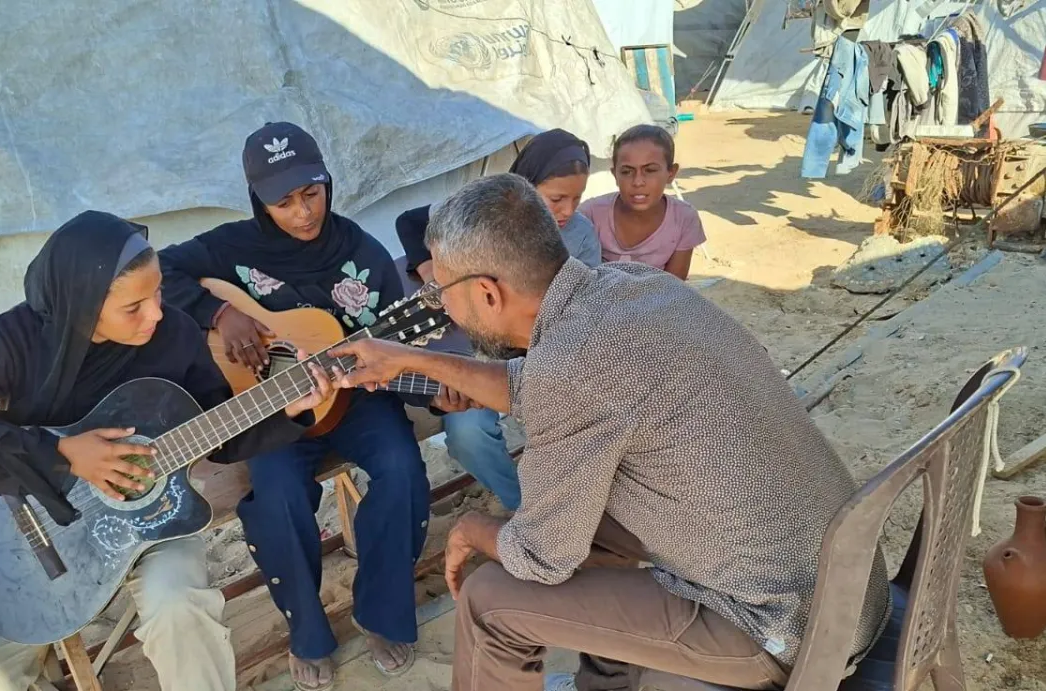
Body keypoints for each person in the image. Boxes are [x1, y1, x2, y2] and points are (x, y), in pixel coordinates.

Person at [332, 174, 891, 691]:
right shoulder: (636, 286)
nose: (440, 308)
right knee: (590, 518)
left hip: (785, 633)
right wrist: (411, 359)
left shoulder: (570, 368)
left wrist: (472, 530)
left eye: (438, 293)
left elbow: (541, 557)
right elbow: (537, 384)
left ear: (487, 293)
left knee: (489, 599)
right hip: (847, 589)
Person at [0, 211, 336, 691]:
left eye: (158, 292)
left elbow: (219, 432)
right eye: (133, 307)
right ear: (82, 305)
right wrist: (62, 452)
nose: (156, 314)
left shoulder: (175, 335)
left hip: (156, 521)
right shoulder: (14, 341)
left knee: (181, 608)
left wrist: (287, 409)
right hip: (31, 539)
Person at [158, 122, 459, 689]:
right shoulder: (230, 246)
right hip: (268, 412)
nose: (302, 212)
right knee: (277, 498)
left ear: (327, 183)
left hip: (357, 399)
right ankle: (309, 632)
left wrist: (436, 388)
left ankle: (382, 613)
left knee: (403, 470)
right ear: (258, 200)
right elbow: (156, 271)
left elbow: (393, 358)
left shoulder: (362, 255)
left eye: (311, 193)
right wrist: (222, 314)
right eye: (284, 202)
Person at [394, 128, 601, 511]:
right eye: (556, 199)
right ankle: (525, 507)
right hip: (468, 351)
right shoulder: (483, 212)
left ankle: (571, 506)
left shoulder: (581, 236)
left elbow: (580, 317)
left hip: (531, 358)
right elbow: (409, 222)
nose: (568, 211)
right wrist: (436, 277)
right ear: (522, 189)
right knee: (467, 436)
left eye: (577, 198)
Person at [579, 124, 706, 279]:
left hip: (659, 294)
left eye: (650, 170)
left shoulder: (683, 218)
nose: (638, 182)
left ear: (671, 173)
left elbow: (674, 286)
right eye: (626, 172)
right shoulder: (590, 214)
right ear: (615, 175)